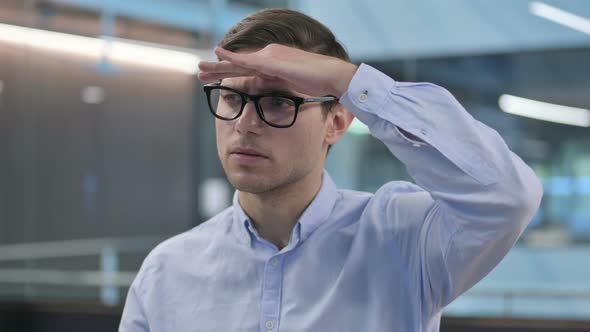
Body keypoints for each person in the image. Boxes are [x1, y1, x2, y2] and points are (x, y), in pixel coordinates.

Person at [119, 8, 542, 332]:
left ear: (337, 121)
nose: (245, 124)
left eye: (278, 102)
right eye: (231, 99)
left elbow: (508, 196)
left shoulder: (403, 239)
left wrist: (349, 81)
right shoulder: (168, 271)